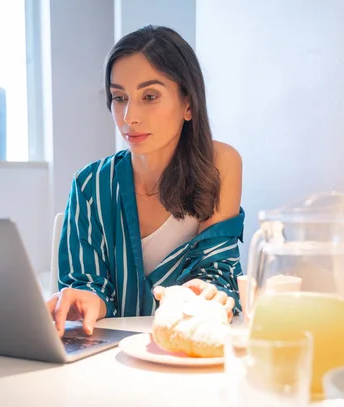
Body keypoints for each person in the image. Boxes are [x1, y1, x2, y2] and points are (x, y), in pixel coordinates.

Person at [46, 25, 244, 337]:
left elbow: (217, 271)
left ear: (188, 104)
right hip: (108, 361)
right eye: (119, 97)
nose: (129, 117)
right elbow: (84, 283)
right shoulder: (89, 184)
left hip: (187, 356)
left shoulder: (220, 164)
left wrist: (205, 293)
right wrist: (89, 300)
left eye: (149, 96)